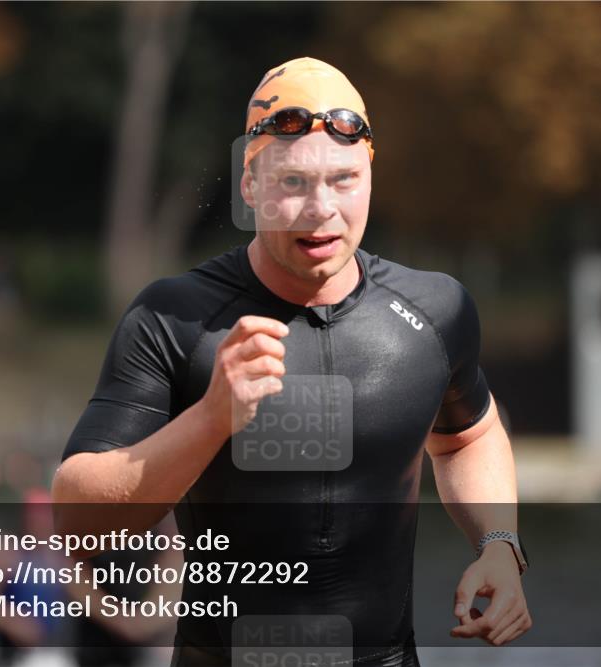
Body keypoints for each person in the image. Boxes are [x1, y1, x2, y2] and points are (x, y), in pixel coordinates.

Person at [53, 56, 532, 666]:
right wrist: (210, 418)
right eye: (293, 182)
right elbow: (76, 517)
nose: (321, 208)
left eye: (343, 179)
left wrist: (499, 543)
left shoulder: (435, 311)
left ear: (369, 178)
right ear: (250, 185)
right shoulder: (176, 318)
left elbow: (469, 436)